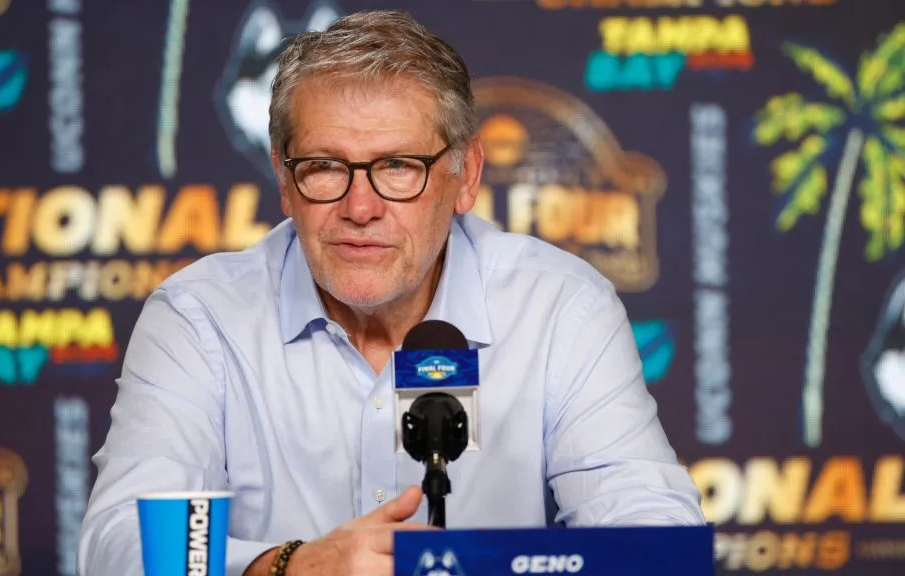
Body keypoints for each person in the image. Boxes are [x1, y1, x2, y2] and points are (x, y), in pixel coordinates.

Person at [78, 9, 705, 576]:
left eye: (398, 167)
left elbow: (653, 531)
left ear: (466, 176)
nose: (360, 207)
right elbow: (120, 543)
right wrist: (292, 568)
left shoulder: (561, 308)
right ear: (283, 179)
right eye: (325, 166)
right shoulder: (199, 318)